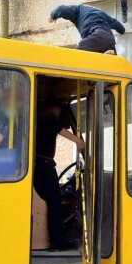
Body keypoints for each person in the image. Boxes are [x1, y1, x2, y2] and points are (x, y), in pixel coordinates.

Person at [34, 100, 85, 250]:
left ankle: (56, 238)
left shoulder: (39, 119)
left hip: (40, 165)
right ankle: (57, 241)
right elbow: (62, 131)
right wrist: (79, 141)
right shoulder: (48, 118)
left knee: (53, 200)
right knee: (55, 202)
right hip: (44, 166)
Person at [49, 4, 125, 53]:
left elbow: (62, 9)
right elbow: (116, 23)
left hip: (97, 35)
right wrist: (122, 31)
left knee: (77, 53)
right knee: (113, 68)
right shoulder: (102, 13)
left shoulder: (77, 10)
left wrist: (53, 15)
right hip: (109, 41)